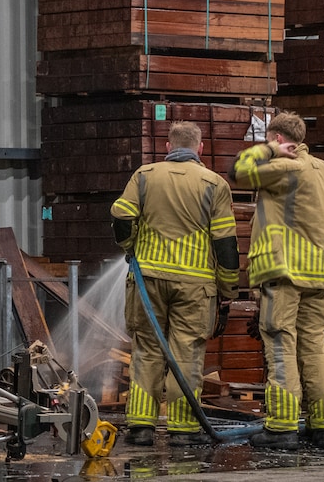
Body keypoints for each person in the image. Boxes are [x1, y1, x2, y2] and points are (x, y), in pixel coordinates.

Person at [229, 112, 324, 451]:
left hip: (284, 273)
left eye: (269, 140)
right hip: (322, 276)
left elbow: (237, 170)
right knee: (315, 348)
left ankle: (282, 428)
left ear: (280, 139)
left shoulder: (284, 166)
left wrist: (269, 151)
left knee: (281, 344)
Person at [111, 121, 240, 447]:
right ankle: (183, 429)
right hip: (195, 286)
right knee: (187, 353)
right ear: (200, 148)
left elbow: (121, 215)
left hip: (148, 281)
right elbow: (225, 243)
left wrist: (130, 248)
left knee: (146, 351)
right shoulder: (214, 184)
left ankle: (141, 427)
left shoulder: (145, 176)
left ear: (168, 147)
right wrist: (227, 291)